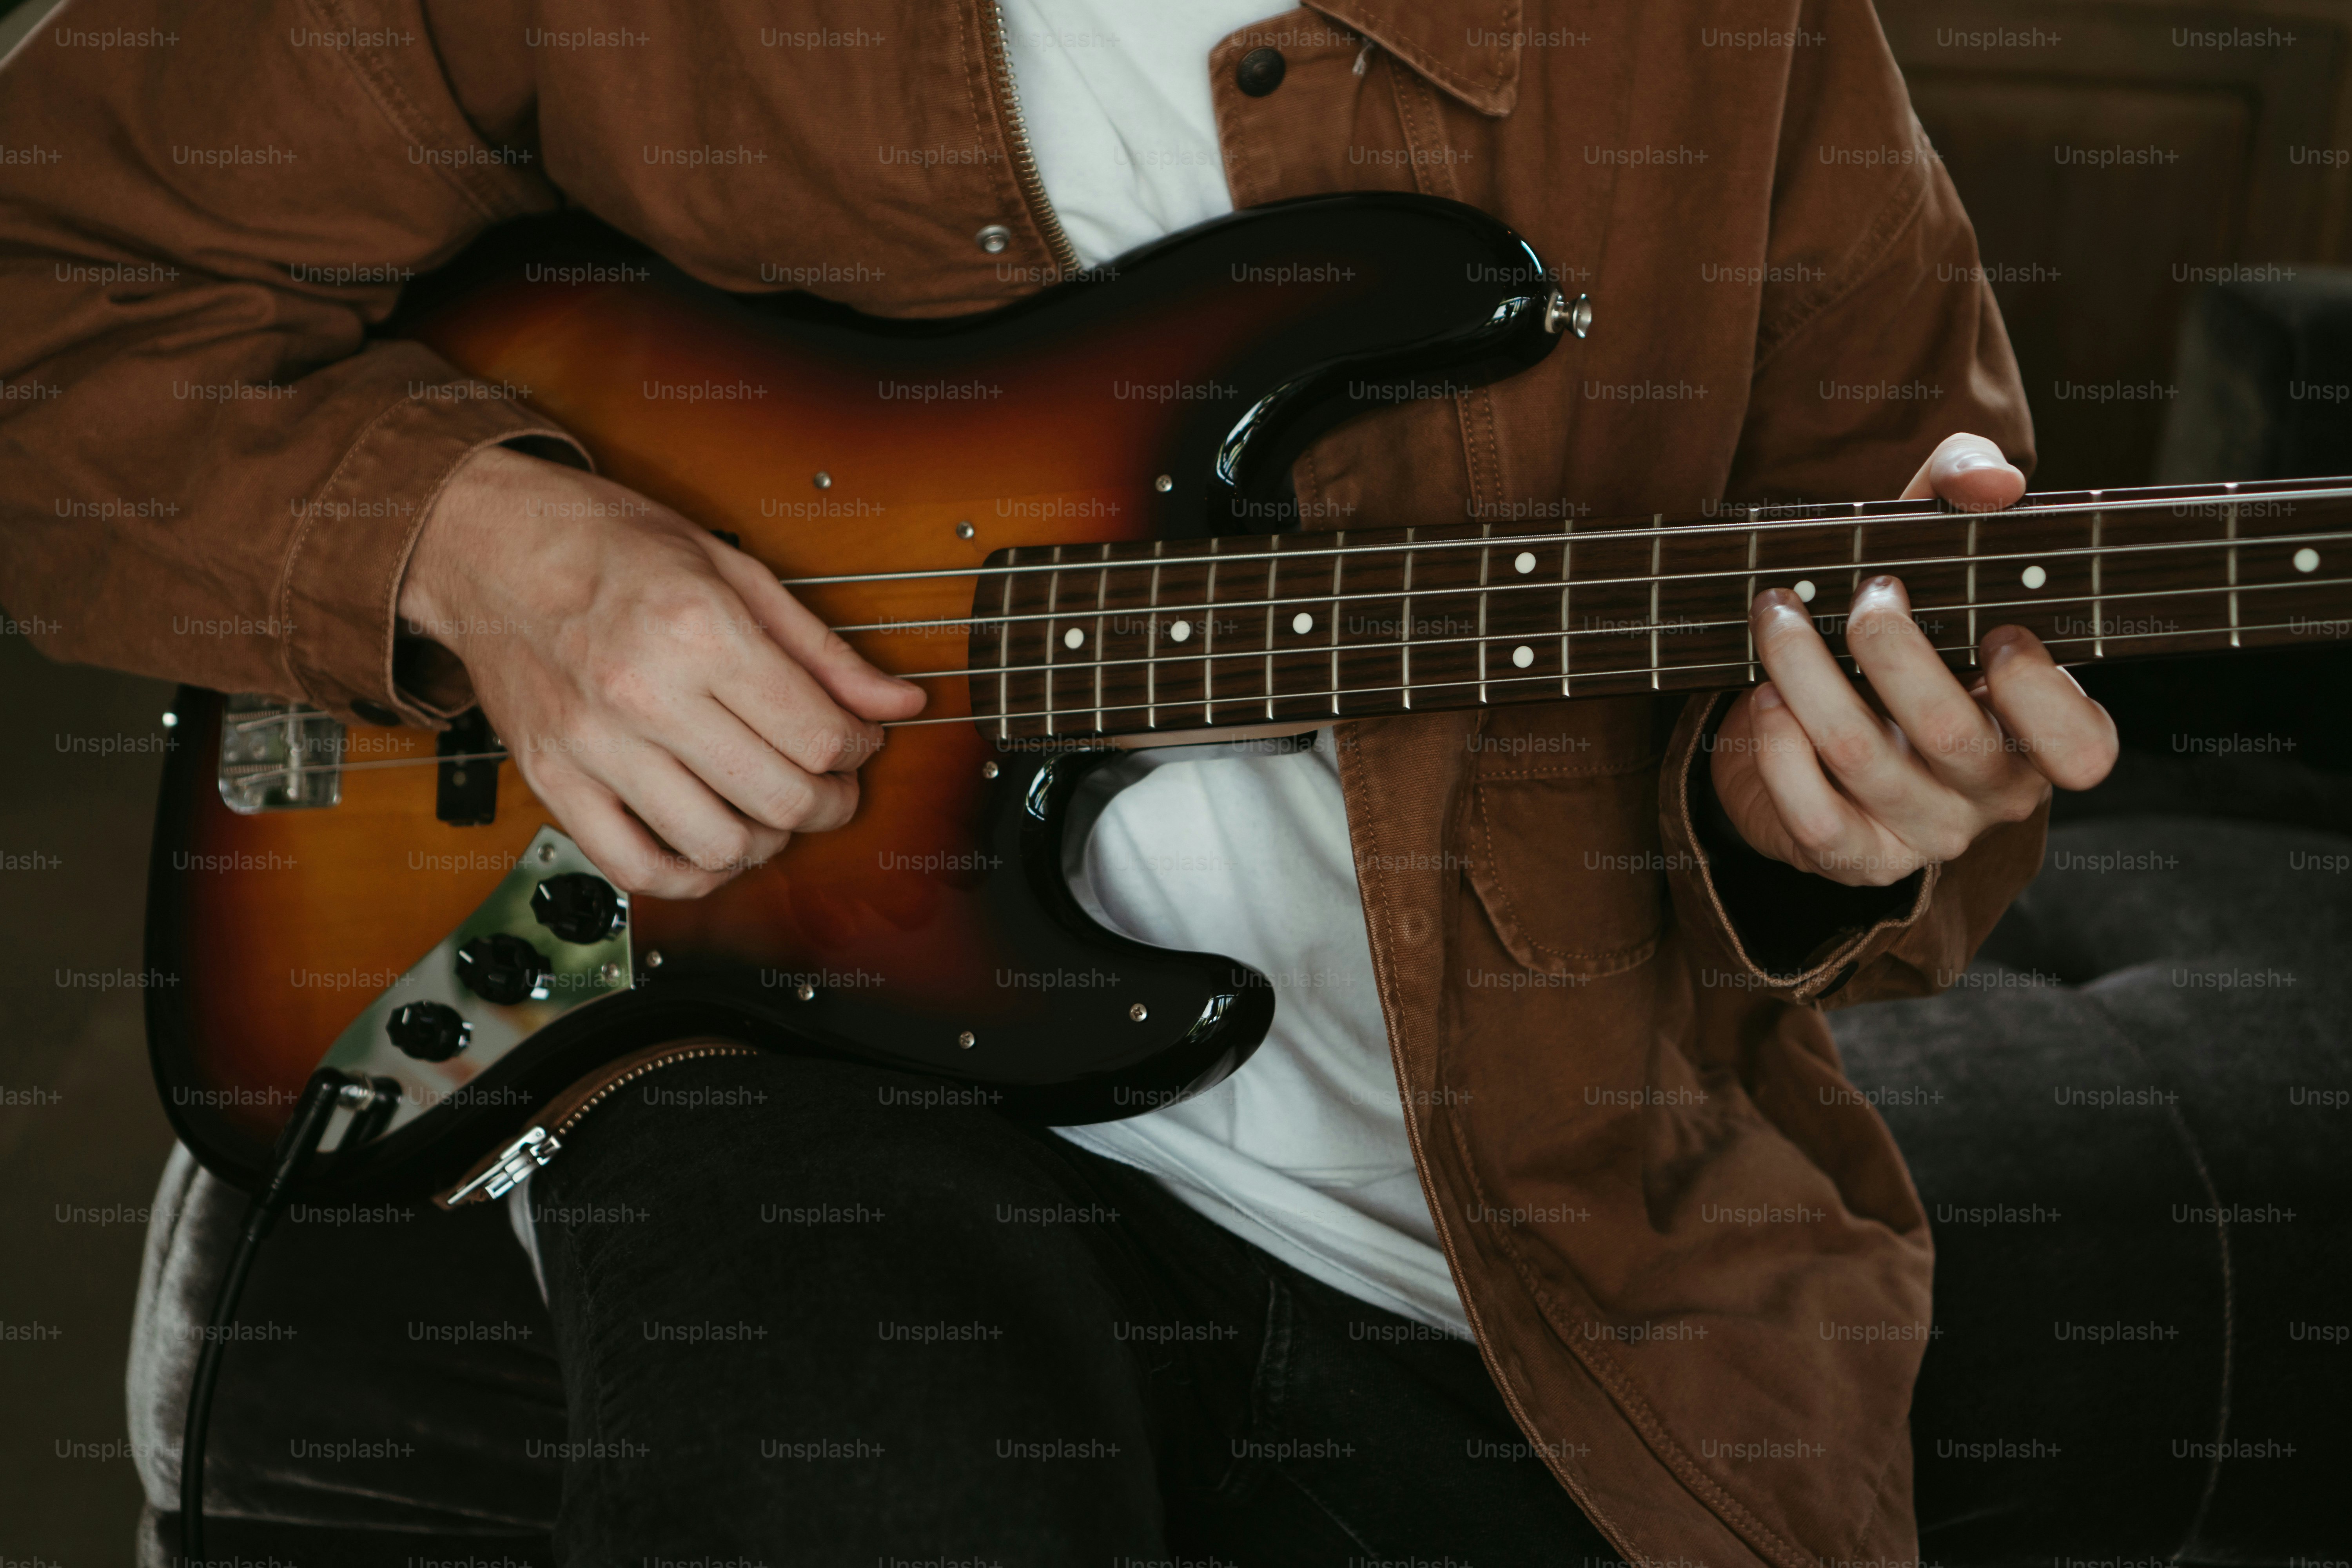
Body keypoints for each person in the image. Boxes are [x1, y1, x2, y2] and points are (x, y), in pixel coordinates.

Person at [0, 2, 2123, 1562]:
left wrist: (1810, 823)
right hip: (812, 1076)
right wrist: (484, 547)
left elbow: (1912, 631)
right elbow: (51, 293)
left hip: (1548, 1277)